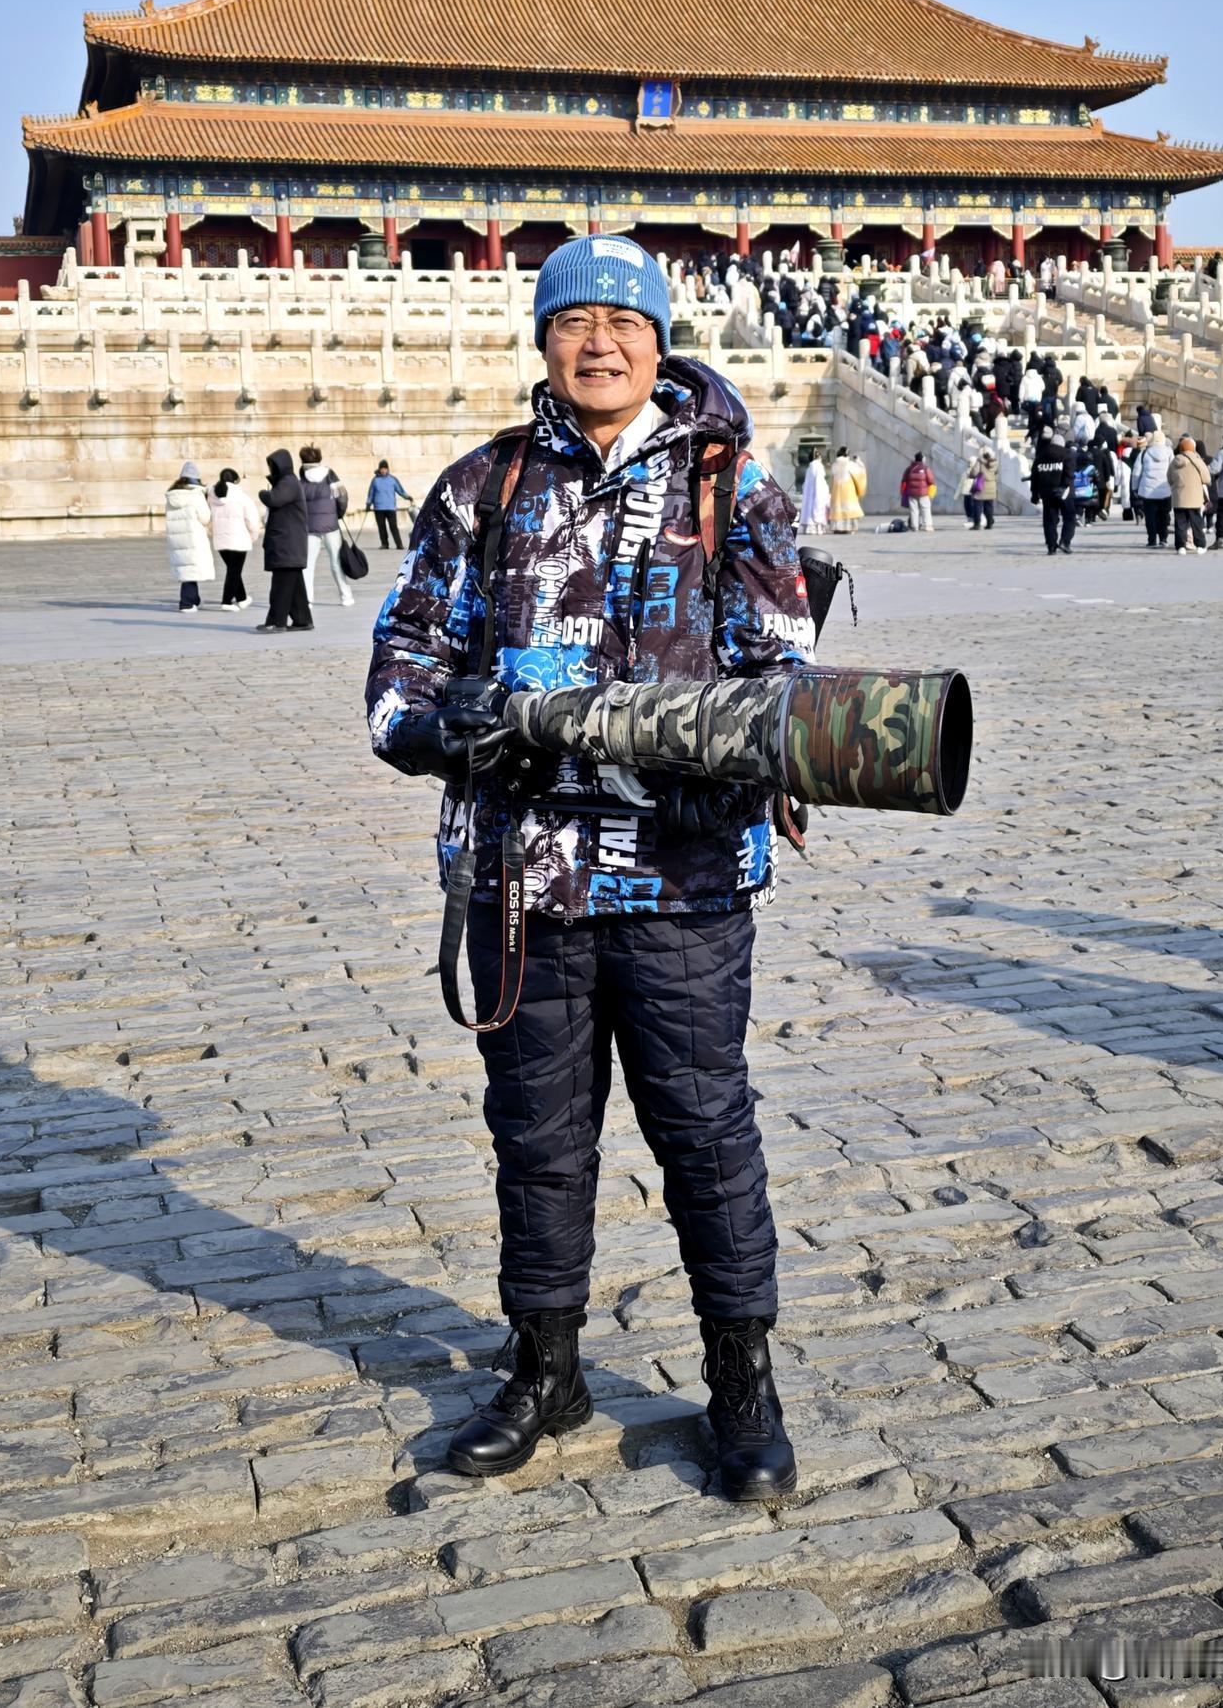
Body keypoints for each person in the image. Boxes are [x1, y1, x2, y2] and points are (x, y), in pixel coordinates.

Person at [367, 234, 814, 1503]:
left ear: (658, 343)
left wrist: (754, 750)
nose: (599, 343)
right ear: (544, 341)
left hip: (683, 882)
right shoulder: (483, 487)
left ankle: (741, 1383)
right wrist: (439, 728)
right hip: (525, 883)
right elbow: (400, 662)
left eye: (624, 323)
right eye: (574, 323)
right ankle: (544, 1366)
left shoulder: (731, 487)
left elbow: (780, 669)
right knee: (537, 1139)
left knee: (706, 1135)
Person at [257, 450, 313, 632]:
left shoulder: (288, 482)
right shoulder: (288, 482)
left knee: (280, 586)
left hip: (286, 544)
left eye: (272, 466)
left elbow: (274, 499)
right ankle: (302, 620)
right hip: (289, 544)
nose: (271, 469)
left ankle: (276, 621)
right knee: (295, 587)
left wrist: (262, 494)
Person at [299, 445, 353, 607]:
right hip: (331, 527)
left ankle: (307, 600)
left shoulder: (301, 479)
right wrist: (338, 514)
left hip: (310, 528)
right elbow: (342, 498)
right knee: (336, 563)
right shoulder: (330, 475)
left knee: (307, 566)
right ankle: (346, 596)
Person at [209, 467, 261, 611]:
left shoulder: (212, 496)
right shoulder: (242, 497)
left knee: (233, 570)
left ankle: (242, 598)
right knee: (234, 571)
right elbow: (251, 520)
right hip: (238, 539)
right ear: (236, 480)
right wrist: (253, 535)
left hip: (220, 539)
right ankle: (226, 601)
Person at [164, 460, 213, 612]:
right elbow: (205, 518)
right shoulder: (196, 495)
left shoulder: (172, 496)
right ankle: (186, 603)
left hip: (177, 537)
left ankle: (194, 599)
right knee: (190, 570)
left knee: (187, 568)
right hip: (193, 537)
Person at [1030, 426, 1076, 555]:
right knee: (1069, 517)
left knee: (1049, 520)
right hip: (1064, 492)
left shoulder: (1040, 456)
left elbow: (1034, 476)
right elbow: (1069, 473)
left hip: (1047, 493)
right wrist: (1065, 485)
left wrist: (1034, 494)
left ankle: (1051, 546)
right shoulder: (1067, 454)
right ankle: (1065, 541)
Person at [1169, 437, 1212, 554]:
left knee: (1180, 523)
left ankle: (1180, 547)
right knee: (1197, 523)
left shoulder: (1175, 461)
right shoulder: (1198, 461)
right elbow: (1207, 479)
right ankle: (1200, 546)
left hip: (1179, 498)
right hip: (1195, 498)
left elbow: (1169, 478)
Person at [1132, 429, 1173, 548]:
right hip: (1165, 489)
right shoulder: (1169, 452)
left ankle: (1152, 540)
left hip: (1148, 491)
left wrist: (1135, 487)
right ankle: (1163, 538)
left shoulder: (1144, 453)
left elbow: (1136, 473)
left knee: (1150, 517)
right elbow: (1173, 470)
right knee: (1164, 515)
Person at [366, 461, 412, 550]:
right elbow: (371, 493)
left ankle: (399, 544)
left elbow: (400, 490)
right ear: (379, 469)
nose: (383, 470)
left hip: (390, 507)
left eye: (385, 469)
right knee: (381, 527)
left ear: (387, 469)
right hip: (379, 508)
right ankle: (384, 544)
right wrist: (368, 504)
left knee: (393, 526)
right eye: (382, 469)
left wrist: (407, 497)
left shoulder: (392, 479)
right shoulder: (375, 480)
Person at [828, 447, 867, 533]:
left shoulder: (834, 465)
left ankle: (838, 528)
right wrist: (858, 461)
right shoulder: (850, 464)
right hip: (848, 491)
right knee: (848, 509)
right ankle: (849, 528)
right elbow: (860, 472)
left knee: (838, 509)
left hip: (837, 492)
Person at [900, 451, 935, 531]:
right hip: (923, 493)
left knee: (913, 510)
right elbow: (931, 480)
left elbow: (904, 479)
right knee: (925, 509)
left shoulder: (909, 468)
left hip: (911, 493)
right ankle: (928, 526)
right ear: (922, 459)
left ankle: (915, 526)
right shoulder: (925, 468)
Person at [799, 451, 830, 532]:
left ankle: (809, 528)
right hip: (818, 491)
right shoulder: (819, 467)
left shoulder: (809, 468)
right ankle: (818, 528)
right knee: (817, 507)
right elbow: (820, 481)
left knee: (809, 507)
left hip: (809, 493)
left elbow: (805, 484)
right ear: (818, 457)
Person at [970, 446, 998, 530]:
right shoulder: (995, 462)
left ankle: (977, 524)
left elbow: (974, 472)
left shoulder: (980, 461)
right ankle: (989, 524)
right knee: (989, 506)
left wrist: (971, 475)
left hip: (981, 486)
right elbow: (997, 473)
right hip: (992, 486)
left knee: (977, 506)